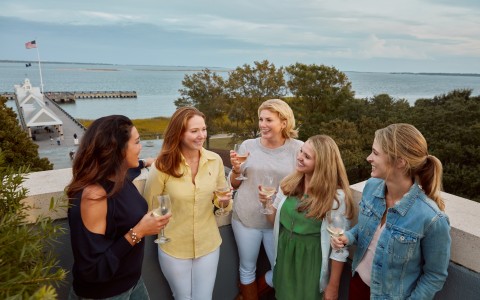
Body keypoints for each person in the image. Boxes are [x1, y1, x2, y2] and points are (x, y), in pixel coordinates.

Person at [331, 123, 451, 299]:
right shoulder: (371, 187)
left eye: (376, 153)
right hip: (356, 286)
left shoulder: (431, 218)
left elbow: (435, 275)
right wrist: (348, 237)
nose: (368, 158)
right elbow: (368, 229)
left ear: (400, 162)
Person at [66, 115, 171, 299]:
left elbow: (132, 169)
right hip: (105, 293)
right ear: (117, 149)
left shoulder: (118, 177)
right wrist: (138, 232)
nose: (140, 147)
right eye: (137, 142)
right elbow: (92, 271)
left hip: (132, 282)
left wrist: (146, 162)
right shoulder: (94, 197)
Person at [143, 106, 232, 299]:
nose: (201, 135)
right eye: (194, 131)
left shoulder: (215, 161)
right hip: (174, 247)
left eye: (204, 129)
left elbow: (221, 206)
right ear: (179, 133)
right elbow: (150, 208)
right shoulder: (162, 167)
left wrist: (223, 203)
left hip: (209, 245)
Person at [260, 135, 355, 300]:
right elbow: (272, 221)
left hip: (312, 261)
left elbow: (339, 249)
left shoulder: (336, 198)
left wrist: (333, 286)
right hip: (284, 256)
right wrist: (266, 203)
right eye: (301, 151)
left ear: (322, 164)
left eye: (307, 156)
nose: (299, 157)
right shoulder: (288, 183)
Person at [229, 99, 303, 299]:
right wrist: (235, 170)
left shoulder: (299, 149)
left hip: (279, 221)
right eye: (260, 119)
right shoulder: (248, 145)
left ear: (284, 122)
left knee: (282, 271)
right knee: (247, 268)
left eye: (269, 120)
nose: (262, 124)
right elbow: (234, 184)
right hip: (246, 218)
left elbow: (305, 185)